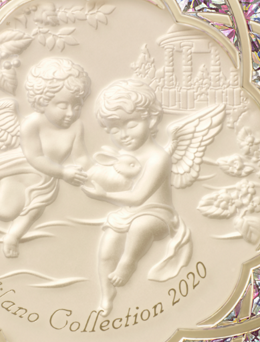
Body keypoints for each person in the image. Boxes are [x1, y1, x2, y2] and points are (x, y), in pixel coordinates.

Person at [0, 58, 92, 257]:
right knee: (7, 212)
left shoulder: (76, 126)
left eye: (77, 107)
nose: (71, 113)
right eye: (62, 105)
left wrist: (89, 171)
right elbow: (35, 157)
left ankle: (12, 237)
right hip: (21, 171)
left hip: (48, 178)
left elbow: (81, 155)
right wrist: (63, 172)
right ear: (42, 102)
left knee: (34, 212)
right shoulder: (32, 124)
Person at [81, 79, 190, 314]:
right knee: (107, 248)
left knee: (140, 226)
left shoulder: (158, 158)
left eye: (131, 124)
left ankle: (129, 261)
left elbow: (138, 196)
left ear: (151, 120)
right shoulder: (123, 155)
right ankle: (106, 295)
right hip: (128, 212)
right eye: (114, 129)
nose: (123, 134)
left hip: (158, 215)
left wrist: (103, 194)